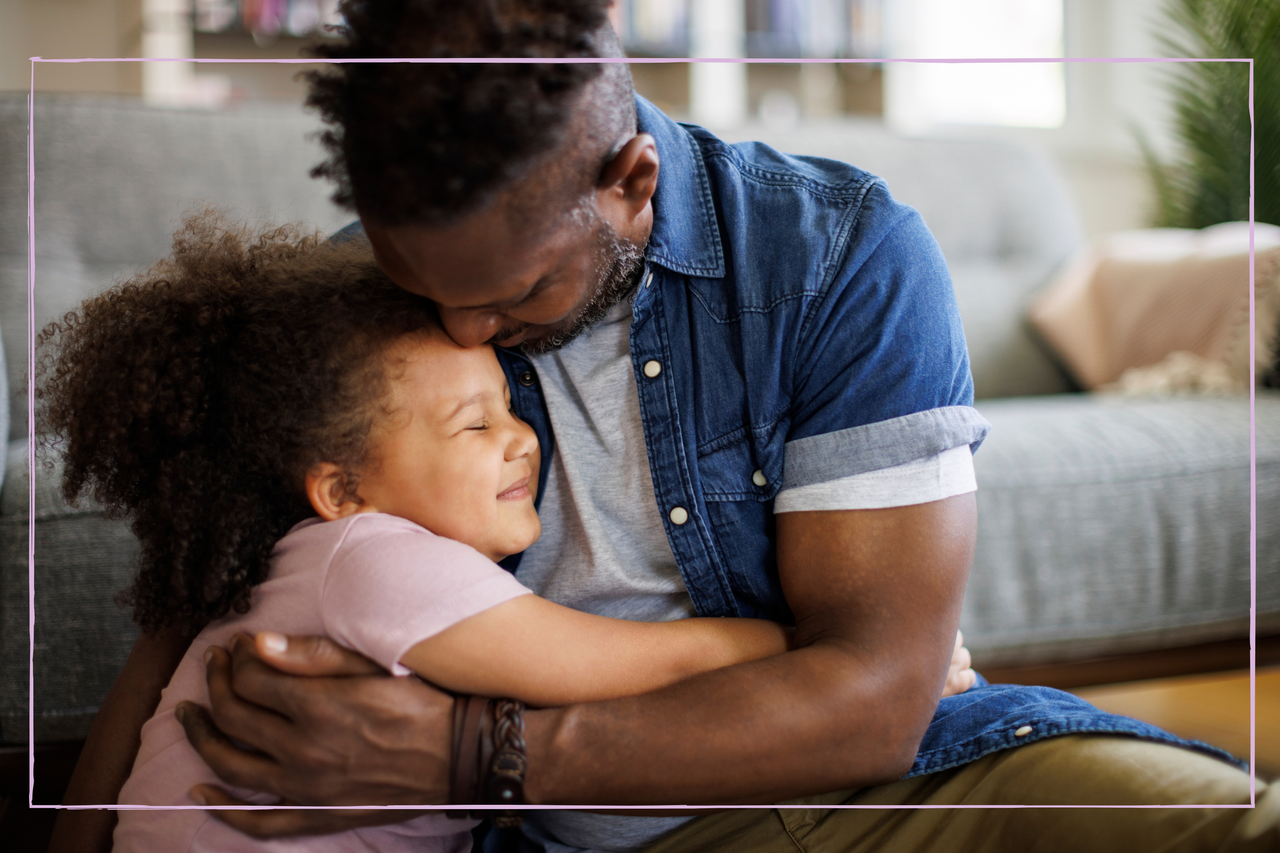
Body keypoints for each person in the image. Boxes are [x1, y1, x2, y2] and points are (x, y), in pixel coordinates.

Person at [50, 3, 1275, 852]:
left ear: (627, 181)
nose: (461, 331)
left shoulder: (838, 256)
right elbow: (181, 624)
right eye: (422, 285)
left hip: (857, 797)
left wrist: (472, 754)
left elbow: (873, 704)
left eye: (512, 291)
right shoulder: (350, 316)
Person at [39, 215, 856, 852]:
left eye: (509, 404)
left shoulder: (309, 555)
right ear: (342, 489)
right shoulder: (375, 559)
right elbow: (634, 664)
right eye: (475, 425)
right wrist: (825, 659)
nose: (522, 437)